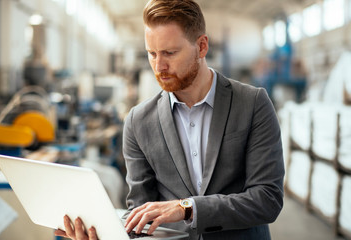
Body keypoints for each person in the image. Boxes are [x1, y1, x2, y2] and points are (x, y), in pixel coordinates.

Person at [55, 0, 285, 239]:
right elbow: (140, 217)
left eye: (170, 53)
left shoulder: (252, 103)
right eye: (151, 54)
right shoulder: (138, 121)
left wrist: (187, 208)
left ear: (202, 46)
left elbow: (267, 199)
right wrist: (102, 234)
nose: (159, 66)